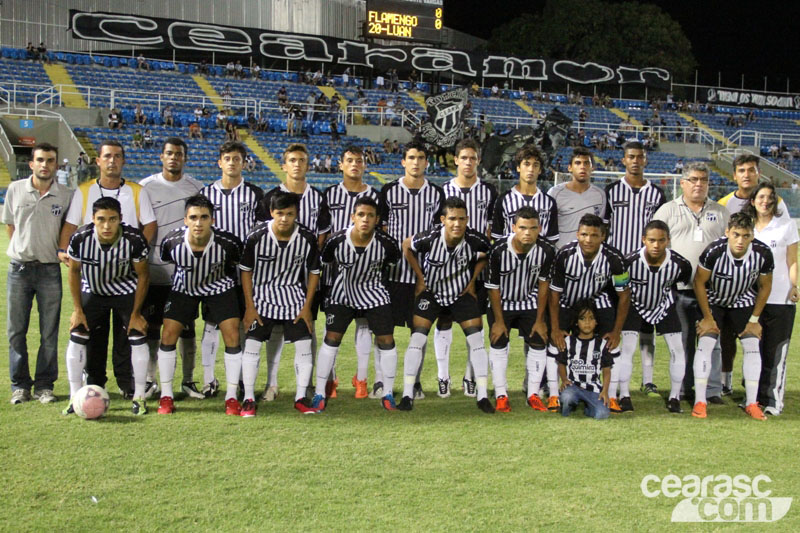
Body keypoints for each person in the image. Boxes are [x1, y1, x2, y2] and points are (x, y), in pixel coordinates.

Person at [58, 140, 156, 399]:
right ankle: (93, 384)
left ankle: (127, 384)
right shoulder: (84, 192)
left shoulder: (136, 191)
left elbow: (150, 224)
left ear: (123, 160)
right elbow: (71, 225)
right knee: (92, 335)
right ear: (98, 161)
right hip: (94, 279)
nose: (112, 161)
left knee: (128, 336)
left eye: (117, 156)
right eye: (107, 156)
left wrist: (134, 251)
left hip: (126, 280)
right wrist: (62, 249)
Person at [398, 196, 493, 413]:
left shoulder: (474, 239)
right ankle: (407, 394)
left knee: (477, 340)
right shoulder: (429, 238)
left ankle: (482, 396)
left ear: (467, 219)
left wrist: (472, 280)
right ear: (443, 220)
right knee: (417, 338)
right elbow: (406, 246)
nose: (457, 223)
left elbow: (488, 253)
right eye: (452, 219)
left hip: (460, 293)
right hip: (432, 293)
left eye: (461, 219)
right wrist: (420, 277)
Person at [155, 195, 244, 415]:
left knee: (232, 335)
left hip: (219, 287)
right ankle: (166, 396)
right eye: (193, 217)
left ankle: (232, 397)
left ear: (212, 220)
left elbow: (236, 265)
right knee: (168, 335)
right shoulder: (172, 241)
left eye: (204, 217)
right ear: (185, 219)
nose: (198, 222)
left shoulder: (229, 243)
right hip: (184, 288)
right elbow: (168, 259)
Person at [62, 197, 150, 414]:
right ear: (93, 219)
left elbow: (143, 275)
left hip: (125, 290)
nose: (107, 225)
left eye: (112, 219)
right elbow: (74, 271)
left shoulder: (134, 239)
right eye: (101, 219)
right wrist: (77, 310)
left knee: (137, 334)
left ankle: (139, 397)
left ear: (120, 219)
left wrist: (136, 313)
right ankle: (74, 397)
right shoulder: (80, 238)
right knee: (78, 332)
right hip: (93, 291)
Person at [258, 143, 331, 400]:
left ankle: (307, 383)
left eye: (301, 160)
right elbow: (262, 235)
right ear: (284, 165)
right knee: (275, 330)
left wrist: (308, 261)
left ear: (308, 165)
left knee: (307, 326)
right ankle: (271, 383)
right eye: (292, 160)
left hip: (306, 276)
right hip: (274, 277)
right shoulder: (270, 197)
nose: (297, 164)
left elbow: (322, 236)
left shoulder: (318, 197)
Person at [313, 197, 401, 410]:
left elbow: (392, 263)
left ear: (377, 220)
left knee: (387, 340)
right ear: (353, 217)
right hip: (342, 294)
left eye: (370, 215)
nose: (365, 219)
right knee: (331, 339)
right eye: (361, 214)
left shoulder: (387, 243)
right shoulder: (336, 241)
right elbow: (326, 262)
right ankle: (319, 393)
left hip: (374, 293)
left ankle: (388, 393)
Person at [652, 162, 729, 405]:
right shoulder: (667, 211)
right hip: (678, 288)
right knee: (683, 341)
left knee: (712, 340)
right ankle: (683, 388)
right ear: (683, 183)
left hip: (712, 290)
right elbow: (656, 246)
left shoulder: (721, 212)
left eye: (703, 180)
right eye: (694, 179)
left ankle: (712, 390)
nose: (699, 184)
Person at [239, 191, 321, 415]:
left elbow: (314, 272)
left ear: (297, 214)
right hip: (261, 297)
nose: (284, 218)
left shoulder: (307, 237)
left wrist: (307, 307)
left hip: (294, 298)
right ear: (271, 212)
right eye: (279, 213)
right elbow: (246, 271)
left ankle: (301, 397)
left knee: (304, 346)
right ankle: (248, 399)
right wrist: (249, 307)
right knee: (252, 345)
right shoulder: (256, 236)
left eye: (289, 214)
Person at [3, 143, 72, 405]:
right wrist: (23, 248)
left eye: (50, 160)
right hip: (19, 269)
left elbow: (67, 229)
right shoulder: (15, 189)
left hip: (49, 271)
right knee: (16, 331)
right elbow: (11, 225)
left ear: (56, 165)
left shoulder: (65, 195)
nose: (45, 165)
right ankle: (20, 386)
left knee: (49, 332)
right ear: (31, 164)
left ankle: (44, 385)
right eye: (40, 160)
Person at [716, 154, 789, 394]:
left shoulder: (775, 202)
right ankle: (725, 380)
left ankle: (755, 384)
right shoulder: (725, 203)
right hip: (734, 284)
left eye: (751, 170)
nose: (746, 175)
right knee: (727, 335)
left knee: (758, 336)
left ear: (759, 173)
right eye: (742, 171)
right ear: (734, 175)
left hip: (764, 283)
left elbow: (785, 239)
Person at [379, 141, 445, 399]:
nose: (416, 162)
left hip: (425, 276)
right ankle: (381, 381)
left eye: (420, 158)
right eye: (411, 157)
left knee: (420, 331)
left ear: (426, 162)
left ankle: (415, 382)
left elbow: (438, 234)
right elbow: (383, 231)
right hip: (393, 274)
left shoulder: (436, 193)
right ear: (403, 161)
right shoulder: (388, 191)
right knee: (385, 329)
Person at [139, 138, 204, 401]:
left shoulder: (196, 188)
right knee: (152, 328)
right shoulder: (146, 187)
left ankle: (188, 380)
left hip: (185, 274)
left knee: (187, 328)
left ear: (184, 158)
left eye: (178, 153)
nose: (174, 157)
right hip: (154, 271)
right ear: (161, 157)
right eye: (169, 153)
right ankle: (150, 380)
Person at [692, 212, 773, 420]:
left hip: (743, 301)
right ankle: (700, 402)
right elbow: (699, 282)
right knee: (706, 343)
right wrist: (707, 317)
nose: (740, 241)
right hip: (713, 301)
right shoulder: (714, 251)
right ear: (727, 232)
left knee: (752, 345)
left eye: (746, 236)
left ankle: (752, 403)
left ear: (752, 235)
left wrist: (754, 320)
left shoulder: (763, 253)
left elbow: (765, 286)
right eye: (736, 235)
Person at [199, 141, 264, 398]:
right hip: (215, 271)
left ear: (244, 163)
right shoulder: (206, 193)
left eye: (237, 159)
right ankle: (209, 379)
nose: (232, 163)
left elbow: (261, 232)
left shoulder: (255, 194)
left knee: (247, 323)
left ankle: (242, 381)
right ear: (220, 162)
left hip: (246, 272)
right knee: (211, 324)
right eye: (227, 158)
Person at [548, 214, 630, 411]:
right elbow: (554, 294)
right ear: (577, 234)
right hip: (567, 302)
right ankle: (553, 394)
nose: (588, 240)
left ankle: (611, 396)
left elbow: (625, 295)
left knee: (611, 345)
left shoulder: (615, 258)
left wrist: (617, 331)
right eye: (584, 234)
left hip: (597, 300)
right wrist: (555, 328)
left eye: (594, 235)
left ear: (603, 236)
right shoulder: (564, 255)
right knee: (556, 344)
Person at [603, 140, 666, 396]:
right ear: (624, 160)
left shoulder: (657, 194)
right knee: (616, 324)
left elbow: (660, 232)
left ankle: (648, 380)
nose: (636, 161)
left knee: (647, 325)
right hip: (617, 269)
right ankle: (615, 378)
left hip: (646, 268)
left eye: (640, 157)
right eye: (631, 156)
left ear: (645, 160)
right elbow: (604, 229)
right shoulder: (611, 191)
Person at [439, 138, 498, 397]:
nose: (468, 162)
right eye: (464, 157)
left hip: (477, 268)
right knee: (444, 320)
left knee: (475, 323)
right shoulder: (443, 190)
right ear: (456, 160)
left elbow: (491, 232)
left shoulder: (489, 191)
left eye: (473, 158)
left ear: (478, 161)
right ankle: (443, 376)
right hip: (447, 269)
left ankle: (469, 376)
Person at [614, 221, 692, 414]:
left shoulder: (680, 264)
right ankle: (624, 396)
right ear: (643, 240)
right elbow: (619, 289)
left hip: (664, 306)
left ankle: (674, 397)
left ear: (668, 240)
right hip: (634, 306)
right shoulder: (628, 262)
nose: (656, 245)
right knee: (628, 349)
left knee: (677, 350)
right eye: (651, 240)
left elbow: (683, 281)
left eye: (661, 240)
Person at [322, 145, 381, 399]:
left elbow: (381, 232)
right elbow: (323, 233)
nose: (355, 164)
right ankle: (330, 379)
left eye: (359, 160)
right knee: (331, 324)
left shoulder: (376, 195)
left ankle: (362, 379)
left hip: (367, 272)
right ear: (341, 165)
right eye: (350, 160)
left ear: (365, 165)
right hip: (335, 271)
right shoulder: (329, 194)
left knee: (364, 324)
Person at [485, 207, 555, 412]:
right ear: (513, 227)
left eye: (533, 228)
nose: (527, 233)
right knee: (498, 340)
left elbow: (544, 285)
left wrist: (540, 320)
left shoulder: (547, 250)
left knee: (539, 340)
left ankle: (533, 394)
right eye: (523, 228)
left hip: (529, 300)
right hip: (502, 302)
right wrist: (499, 321)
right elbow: (493, 288)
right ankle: (501, 394)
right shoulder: (498, 250)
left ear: (539, 229)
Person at [744, 184, 798, 415]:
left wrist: (794, 285)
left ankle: (773, 400)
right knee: (753, 350)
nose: (765, 201)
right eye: (761, 197)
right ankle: (753, 398)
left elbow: (792, 260)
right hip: (751, 298)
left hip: (779, 299)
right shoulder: (746, 227)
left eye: (769, 198)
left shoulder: (786, 226)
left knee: (775, 351)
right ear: (753, 200)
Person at [554, 301, 616, 420]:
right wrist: (564, 379)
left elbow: (607, 370)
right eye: (582, 318)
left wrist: (605, 391)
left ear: (596, 321)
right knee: (567, 397)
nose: (587, 322)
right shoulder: (568, 342)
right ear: (576, 322)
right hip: (573, 386)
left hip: (593, 388)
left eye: (591, 318)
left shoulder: (602, 344)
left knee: (602, 414)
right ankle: (569, 407)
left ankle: (588, 407)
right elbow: (561, 364)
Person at [492, 144, 558, 245]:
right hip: (509, 254)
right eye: (526, 164)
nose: (531, 169)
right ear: (518, 167)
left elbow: (552, 239)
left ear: (540, 170)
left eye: (535, 165)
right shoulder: (503, 199)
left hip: (539, 255)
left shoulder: (549, 202)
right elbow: (497, 236)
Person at [548, 147, 607, 249]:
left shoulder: (600, 195)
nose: (582, 167)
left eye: (586, 163)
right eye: (578, 163)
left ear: (592, 168)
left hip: (588, 253)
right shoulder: (555, 193)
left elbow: (600, 227)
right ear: (569, 168)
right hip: (561, 253)